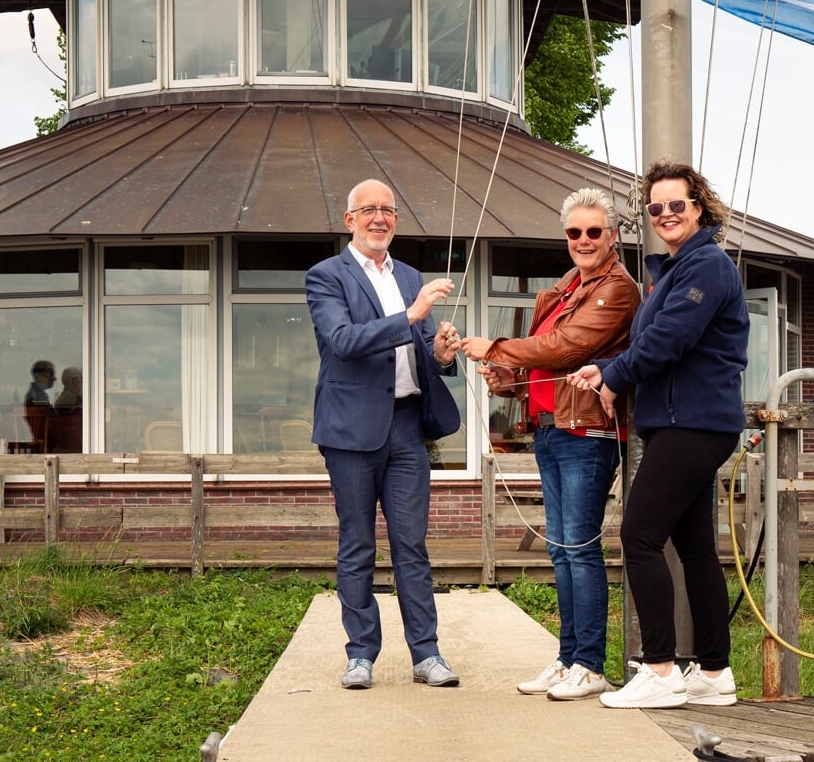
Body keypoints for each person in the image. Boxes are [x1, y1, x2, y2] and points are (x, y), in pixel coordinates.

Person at [568, 159, 748, 709]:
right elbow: (655, 344)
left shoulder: (706, 267)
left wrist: (614, 373)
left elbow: (670, 339)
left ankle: (662, 669)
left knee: (639, 536)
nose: (666, 214)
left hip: (690, 425)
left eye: (678, 205)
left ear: (699, 208)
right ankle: (715, 673)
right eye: (656, 208)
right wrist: (613, 371)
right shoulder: (673, 270)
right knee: (695, 549)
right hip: (684, 423)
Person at [460, 188, 640, 702]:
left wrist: (497, 347)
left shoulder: (617, 290)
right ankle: (568, 660)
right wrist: (506, 374)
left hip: (587, 433)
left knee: (580, 549)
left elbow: (567, 347)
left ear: (612, 236)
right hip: (552, 427)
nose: (583, 240)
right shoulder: (564, 289)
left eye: (593, 231)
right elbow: (546, 356)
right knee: (562, 551)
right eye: (574, 232)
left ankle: (590, 664)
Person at [305, 178, 464, 692]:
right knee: (357, 546)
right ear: (349, 220)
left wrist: (438, 351)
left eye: (388, 210)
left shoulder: (410, 274)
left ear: (396, 219)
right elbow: (343, 341)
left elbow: (417, 343)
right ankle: (361, 656)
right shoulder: (325, 276)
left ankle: (427, 654)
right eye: (367, 210)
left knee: (411, 546)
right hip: (351, 431)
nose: (379, 218)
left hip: (407, 426)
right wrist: (413, 314)